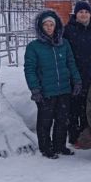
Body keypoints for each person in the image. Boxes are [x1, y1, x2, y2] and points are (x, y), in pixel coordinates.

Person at [24, 10, 82, 159]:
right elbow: (30, 70)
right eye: (46, 25)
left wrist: (76, 80)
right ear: (40, 27)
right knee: (45, 121)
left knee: (63, 120)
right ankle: (46, 148)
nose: (49, 27)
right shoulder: (34, 47)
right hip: (45, 91)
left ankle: (60, 145)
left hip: (63, 89)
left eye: (52, 24)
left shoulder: (64, 44)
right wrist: (35, 89)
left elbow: (71, 63)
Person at [63, 1, 91, 146]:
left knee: (89, 109)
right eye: (80, 12)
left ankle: (87, 138)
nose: (83, 14)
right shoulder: (68, 30)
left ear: (90, 14)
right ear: (76, 14)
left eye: (86, 12)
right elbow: (64, 53)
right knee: (74, 109)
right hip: (74, 76)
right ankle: (74, 137)